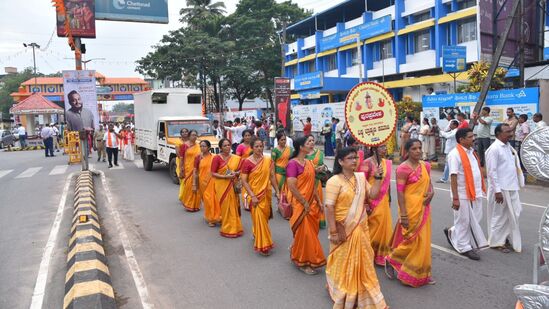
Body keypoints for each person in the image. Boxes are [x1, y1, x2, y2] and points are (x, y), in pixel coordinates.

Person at [325, 147, 388, 309]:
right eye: (350, 158)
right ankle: (343, 290)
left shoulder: (360, 178)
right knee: (342, 261)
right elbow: (329, 207)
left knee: (364, 260)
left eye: (355, 158)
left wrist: (378, 178)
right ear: (340, 162)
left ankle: (363, 292)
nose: (354, 161)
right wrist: (333, 232)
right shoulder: (334, 181)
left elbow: (372, 195)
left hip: (361, 227)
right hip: (343, 229)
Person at [385, 139, 435, 287]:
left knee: (423, 241)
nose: (418, 151)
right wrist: (404, 215)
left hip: (424, 208)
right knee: (410, 240)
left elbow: (429, 184)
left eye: (420, 148)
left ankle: (421, 272)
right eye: (414, 149)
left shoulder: (425, 165)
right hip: (410, 210)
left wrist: (432, 193)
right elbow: (400, 194)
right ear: (407, 151)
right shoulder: (402, 169)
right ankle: (392, 258)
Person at [444, 128, 488, 260]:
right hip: (462, 194)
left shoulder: (471, 152)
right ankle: (464, 247)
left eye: (473, 136)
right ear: (461, 140)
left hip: (475, 192)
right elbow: (453, 176)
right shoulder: (455, 154)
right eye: (470, 137)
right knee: (463, 221)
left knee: (475, 219)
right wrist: (456, 198)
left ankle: (453, 232)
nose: (473, 139)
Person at [287, 135, 326, 275]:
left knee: (310, 234)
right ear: (300, 147)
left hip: (312, 204)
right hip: (301, 205)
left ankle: (295, 248)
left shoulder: (309, 163)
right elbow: (292, 186)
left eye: (312, 142)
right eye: (308, 142)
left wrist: (319, 201)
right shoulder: (292, 164)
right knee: (305, 234)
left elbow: (312, 186)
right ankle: (303, 261)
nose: (312, 144)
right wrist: (304, 202)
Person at [486, 123, 524, 253]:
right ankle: (496, 242)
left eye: (510, 131)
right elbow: (492, 171)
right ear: (498, 134)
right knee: (499, 215)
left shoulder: (508, 147)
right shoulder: (494, 149)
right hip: (501, 189)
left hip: (511, 186)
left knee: (516, 212)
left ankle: (503, 237)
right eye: (507, 132)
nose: (510, 134)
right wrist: (497, 191)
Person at [241, 138, 280, 256]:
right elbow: (244, 180)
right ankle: (264, 245)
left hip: (266, 193)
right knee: (259, 218)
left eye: (261, 146)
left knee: (264, 218)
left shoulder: (268, 160)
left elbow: (272, 176)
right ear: (252, 147)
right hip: (254, 195)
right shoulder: (247, 162)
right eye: (256, 146)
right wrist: (252, 195)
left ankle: (256, 232)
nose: (259, 149)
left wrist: (277, 191)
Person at [359, 144, 393, 266]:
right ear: (374, 149)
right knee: (372, 228)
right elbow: (361, 184)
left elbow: (387, 183)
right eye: (382, 147)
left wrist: (389, 199)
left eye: (385, 147)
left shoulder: (387, 163)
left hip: (383, 200)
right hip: (371, 200)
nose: (385, 149)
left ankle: (380, 255)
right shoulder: (366, 163)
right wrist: (364, 203)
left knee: (384, 227)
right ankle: (367, 254)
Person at [211, 138, 243, 238]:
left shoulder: (236, 158)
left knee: (233, 205)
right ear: (220, 147)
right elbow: (213, 173)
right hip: (221, 185)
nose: (227, 147)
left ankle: (235, 227)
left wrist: (236, 173)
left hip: (232, 184)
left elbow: (240, 170)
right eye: (225, 145)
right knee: (225, 206)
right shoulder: (217, 158)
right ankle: (227, 227)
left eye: (228, 145)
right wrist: (225, 177)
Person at [194, 140, 219, 227]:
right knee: (207, 200)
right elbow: (195, 171)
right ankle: (210, 216)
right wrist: (194, 184)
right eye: (201, 146)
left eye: (204, 146)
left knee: (214, 199)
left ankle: (214, 218)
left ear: (208, 147)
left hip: (213, 181)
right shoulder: (198, 158)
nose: (202, 148)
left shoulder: (214, 157)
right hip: (202, 182)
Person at [305, 138, 327, 229]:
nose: (311, 142)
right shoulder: (303, 154)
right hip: (306, 183)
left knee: (318, 202)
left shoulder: (319, 153)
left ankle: (319, 221)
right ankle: (309, 220)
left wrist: (322, 168)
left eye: (313, 140)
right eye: (309, 141)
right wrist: (313, 170)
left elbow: (323, 165)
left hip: (317, 181)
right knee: (309, 202)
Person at [178, 130, 201, 212]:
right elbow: (181, 158)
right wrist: (181, 168)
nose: (194, 136)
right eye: (192, 135)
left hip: (198, 168)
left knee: (197, 185)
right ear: (189, 136)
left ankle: (196, 205)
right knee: (188, 186)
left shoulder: (199, 145)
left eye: (195, 135)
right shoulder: (184, 145)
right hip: (188, 168)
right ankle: (188, 203)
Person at [272, 131, 293, 203]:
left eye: (285, 139)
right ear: (278, 141)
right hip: (279, 174)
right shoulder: (275, 151)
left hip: (289, 173)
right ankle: (281, 205)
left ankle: (288, 205)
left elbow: (292, 160)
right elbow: (273, 163)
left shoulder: (290, 149)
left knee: (289, 191)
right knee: (281, 190)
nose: (284, 141)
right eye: (282, 140)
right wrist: (273, 175)